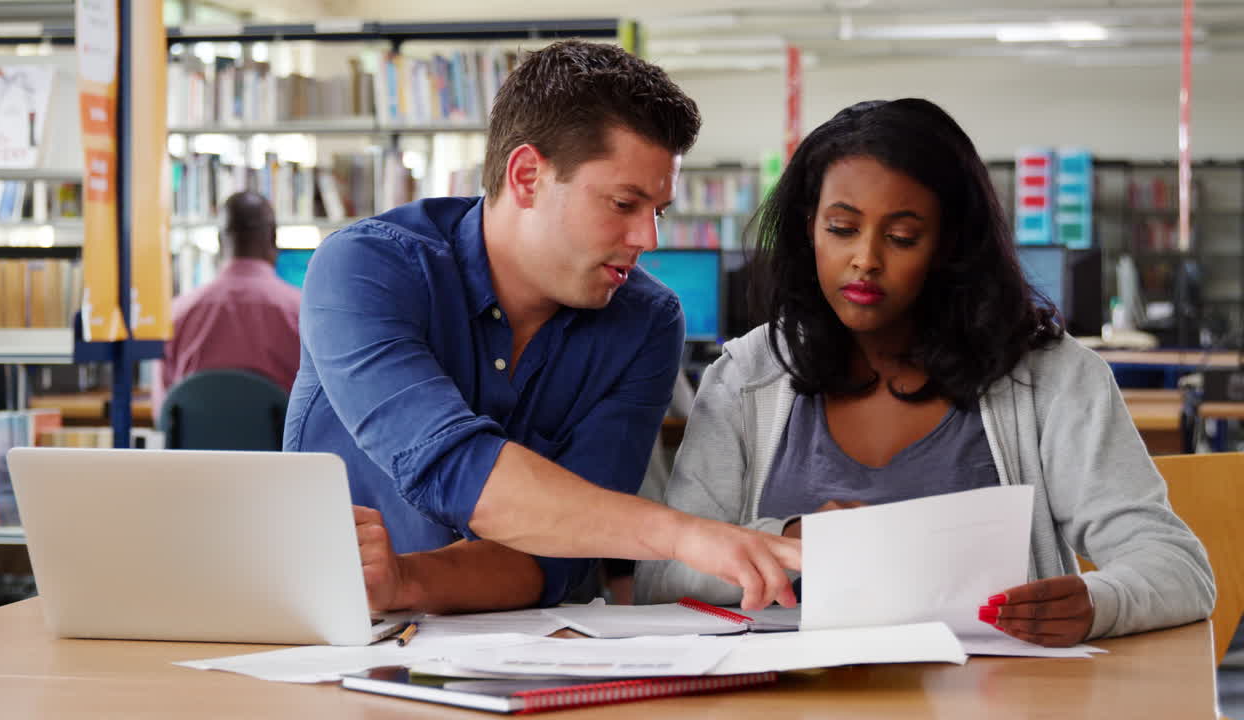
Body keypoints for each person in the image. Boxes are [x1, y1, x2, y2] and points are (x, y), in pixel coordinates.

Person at [634, 98, 1214, 647]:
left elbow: (1177, 567)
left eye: (902, 237)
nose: (865, 259)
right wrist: (787, 541)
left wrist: (1098, 602)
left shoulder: (1053, 378)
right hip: (786, 693)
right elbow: (661, 579)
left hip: (995, 694)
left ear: (949, 245)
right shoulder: (745, 377)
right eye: (841, 229)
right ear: (809, 228)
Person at [284, 41, 800, 615]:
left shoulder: (647, 323)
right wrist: (681, 535)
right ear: (527, 175)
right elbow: (452, 467)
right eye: (624, 204)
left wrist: (406, 580)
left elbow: (554, 561)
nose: (648, 239)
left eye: (658, 211)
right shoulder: (365, 269)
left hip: (536, 645)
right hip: (332, 630)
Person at [153, 190, 302, 418]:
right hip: (279, 440)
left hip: (198, 441)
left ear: (220, 240)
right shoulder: (302, 312)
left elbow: (162, 412)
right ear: (273, 238)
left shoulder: (176, 314)